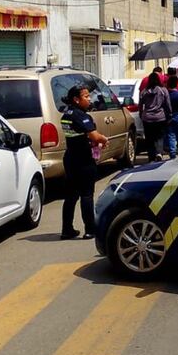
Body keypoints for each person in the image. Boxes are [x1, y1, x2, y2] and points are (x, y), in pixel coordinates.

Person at [60, 85, 109, 240]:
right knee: (86, 195)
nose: (89, 99)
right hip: (83, 160)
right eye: (86, 96)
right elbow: (94, 136)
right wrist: (104, 139)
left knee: (71, 196)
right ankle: (90, 229)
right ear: (76, 99)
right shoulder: (81, 116)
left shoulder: (66, 114)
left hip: (70, 158)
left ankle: (67, 229)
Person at [139, 72, 171, 162]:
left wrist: (141, 114)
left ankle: (151, 155)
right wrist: (169, 114)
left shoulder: (144, 91)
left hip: (147, 117)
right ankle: (159, 152)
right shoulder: (163, 90)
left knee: (149, 137)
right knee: (160, 136)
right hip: (160, 117)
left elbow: (140, 105)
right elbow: (168, 104)